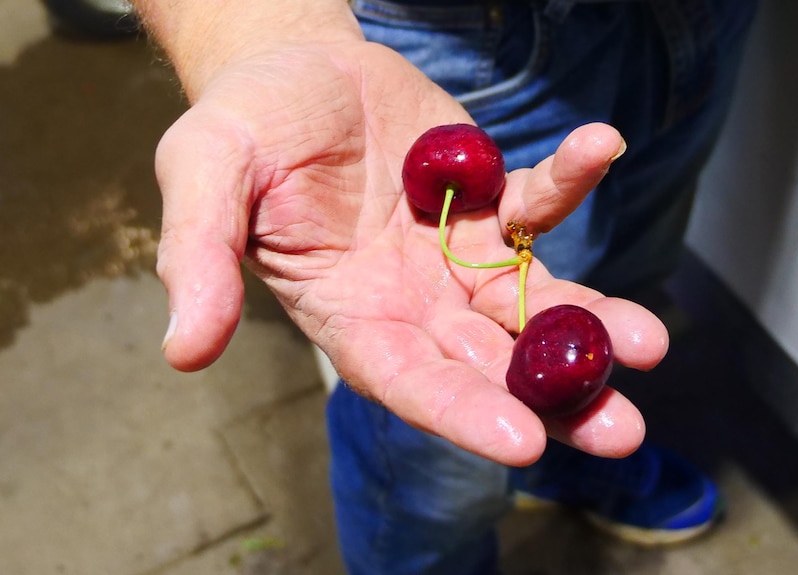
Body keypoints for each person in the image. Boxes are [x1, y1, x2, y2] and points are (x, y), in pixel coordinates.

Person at [133, 0, 757, 573]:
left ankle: (560, 470)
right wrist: (265, 36)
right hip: (465, 39)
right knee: (437, 463)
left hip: (702, 22)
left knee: (626, 272)